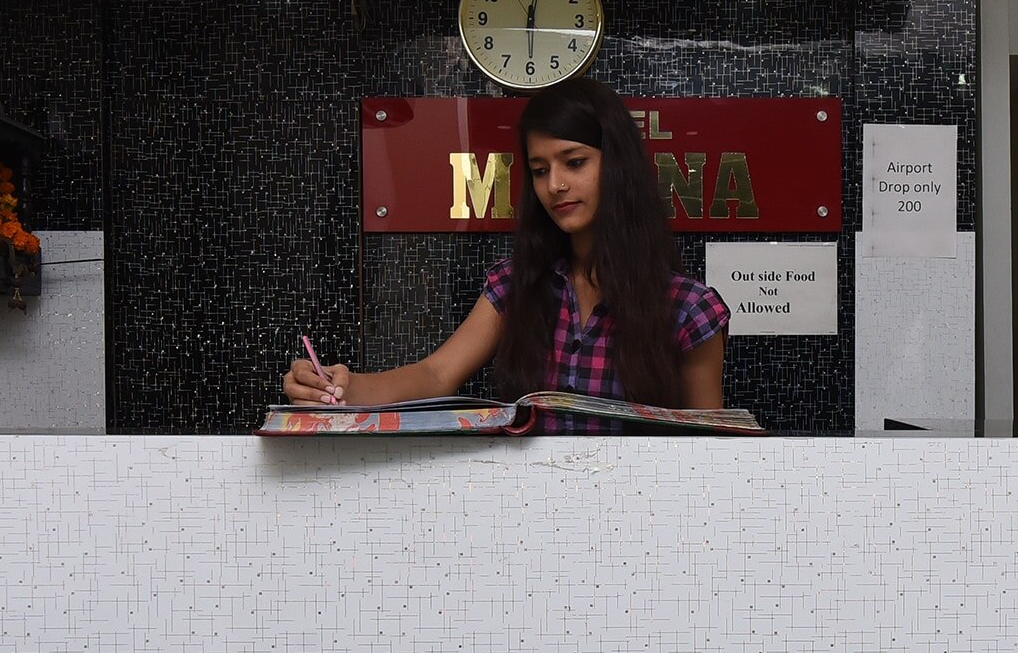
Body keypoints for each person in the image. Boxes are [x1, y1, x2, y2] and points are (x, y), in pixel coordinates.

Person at [286, 78, 730, 431]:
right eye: (539, 170)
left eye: (574, 162)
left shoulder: (688, 308)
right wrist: (344, 386)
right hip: (522, 507)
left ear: (618, 165)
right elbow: (437, 374)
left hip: (634, 511)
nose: (554, 184)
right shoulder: (518, 283)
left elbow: (710, 454)